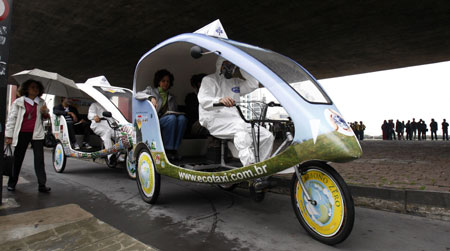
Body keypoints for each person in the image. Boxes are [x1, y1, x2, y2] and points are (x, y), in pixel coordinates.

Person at [198, 57, 274, 167]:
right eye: (228, 64)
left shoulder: (235, 82)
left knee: (266, 135)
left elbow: (253, 84)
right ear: (220, 65)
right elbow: (204, 101)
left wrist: (242, 65)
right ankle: (250, 165)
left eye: (233, 65)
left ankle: (261, 167)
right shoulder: (209, 80)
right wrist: (219, 100)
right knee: (240, 128)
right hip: (214, 120)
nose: (231, 67)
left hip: (235, 120)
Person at [5, 79, 51, 192]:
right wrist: (9, 136)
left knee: (39, 160)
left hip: (37, 134)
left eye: (37, 87)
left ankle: (42, 185)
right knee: (17, 159)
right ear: (26, 89)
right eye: (33, 87)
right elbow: (12, 119)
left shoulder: (41, 102)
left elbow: (45, 119)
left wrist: (45, 112)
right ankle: (12, 183)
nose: (35, 89)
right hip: (21, 133)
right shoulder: (19, 102)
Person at [143, 69, 187, 160]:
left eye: (168, 81)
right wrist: (151, 97)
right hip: (155, 120)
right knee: (172, 119)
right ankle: (168, 149)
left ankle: (175, 149)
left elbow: (175, 111)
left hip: (169, 119)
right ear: (158, 82)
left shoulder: (172, 97)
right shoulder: (150, 90)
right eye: (163, 81)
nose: (166, 83)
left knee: (182, 119)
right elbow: (137, 95)